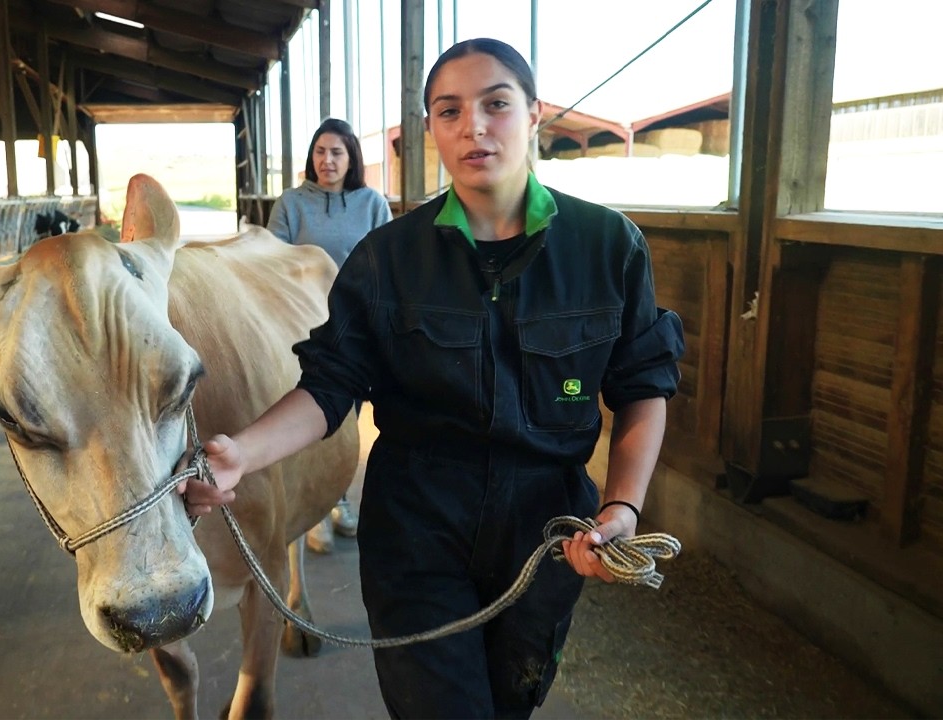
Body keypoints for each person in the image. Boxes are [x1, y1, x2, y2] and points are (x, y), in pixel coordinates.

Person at [183, 37, 683, 719]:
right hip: (416, 526)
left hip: (546, 531)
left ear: (534, 114)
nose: (474, 126)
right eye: (449, 111)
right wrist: (243, 452)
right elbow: (332, 385)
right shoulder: (388, 259)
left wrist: (622, 507)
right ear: (431, 132)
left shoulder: (607, 247)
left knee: (511, 700)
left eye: (496, 104)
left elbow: (640, 388)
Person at [266, 117, 392, 553]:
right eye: (320, 151)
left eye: (337, 152)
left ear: (351, 157)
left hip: (354, 326)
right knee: (306, 411)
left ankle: (337, 499)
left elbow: (386, 262)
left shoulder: (372, 203)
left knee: (346, 418)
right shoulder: (291, 203)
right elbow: (272, 260)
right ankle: (314, 509)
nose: (327, 160)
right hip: (300, 323)